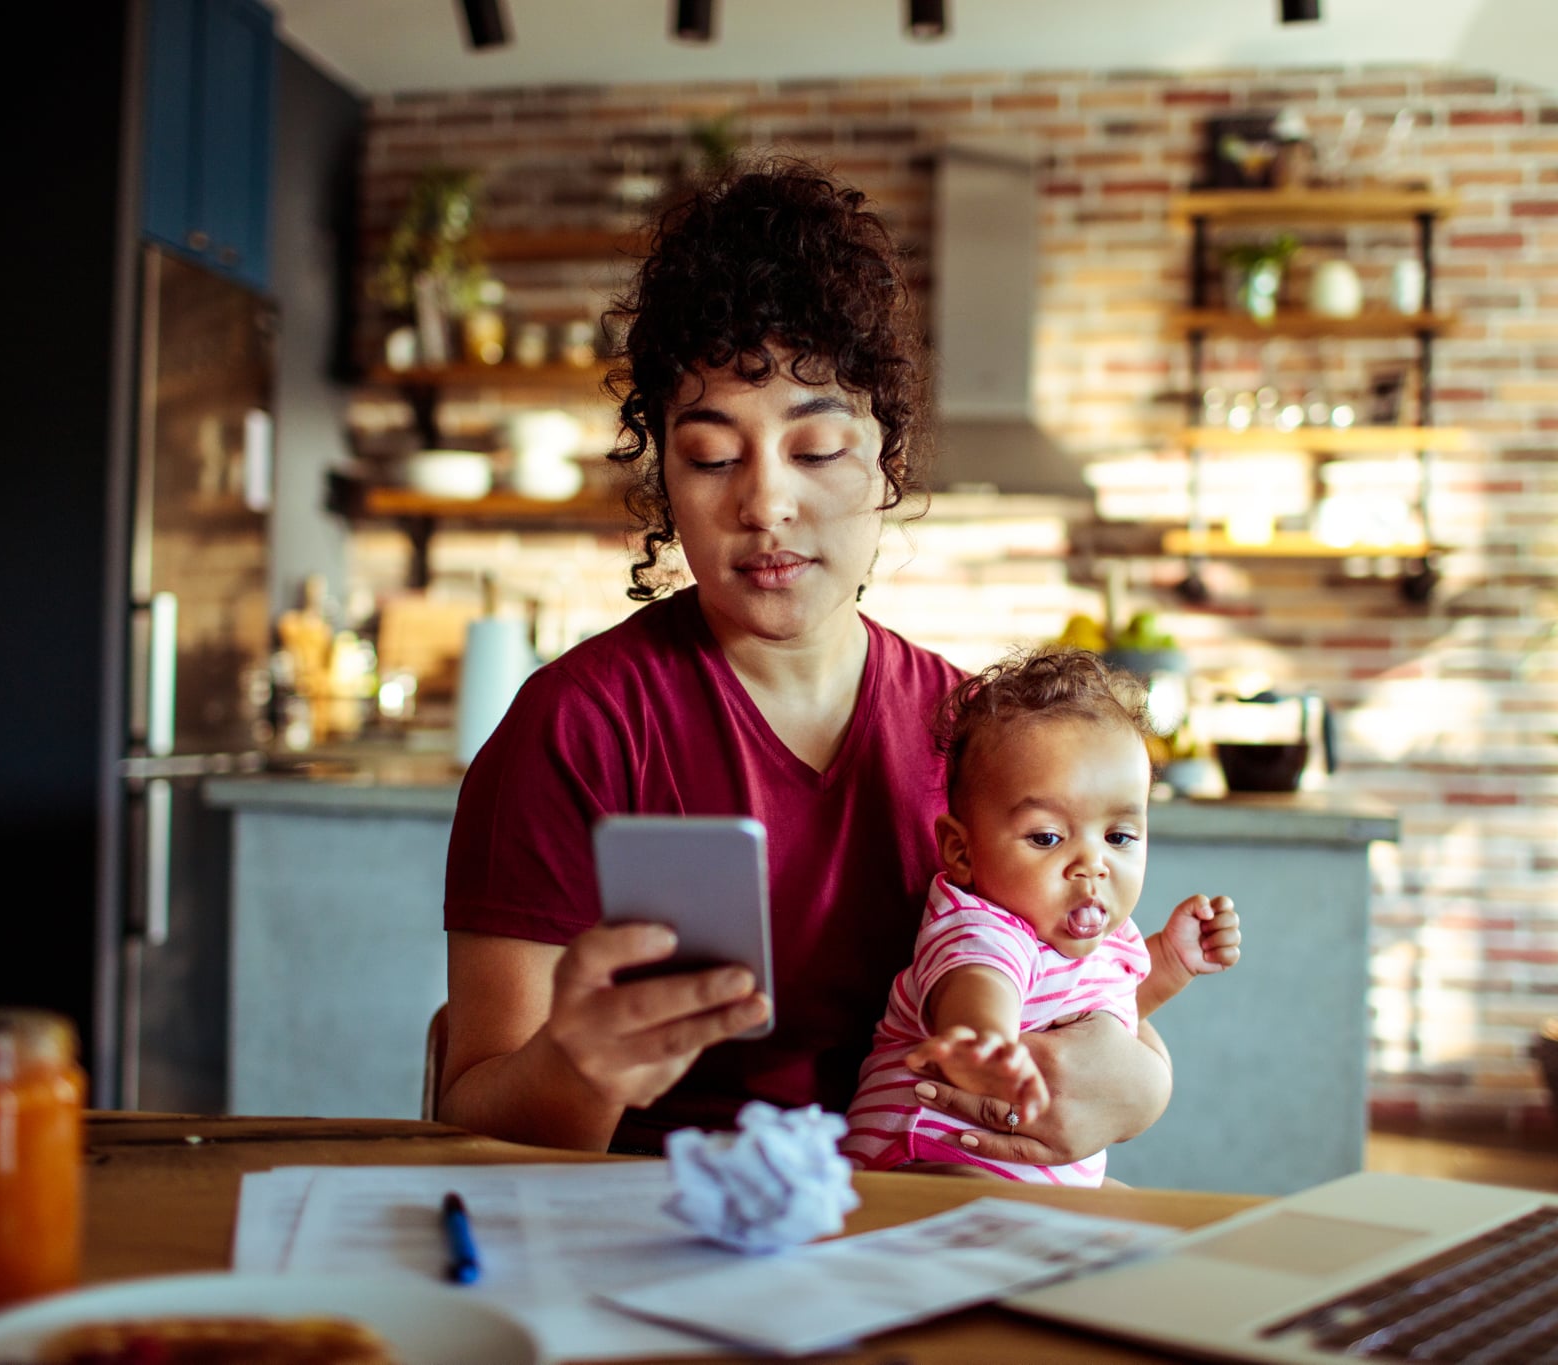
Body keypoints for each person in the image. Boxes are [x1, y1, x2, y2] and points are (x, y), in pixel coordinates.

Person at [436, 159, 1175, 1166]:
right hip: (654, 1226)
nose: (764, 504)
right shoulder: (577, 726)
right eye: (709, 457)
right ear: (664, 477)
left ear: (887, 466)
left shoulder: (976, 737)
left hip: (918, 1223)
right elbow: (470, 1115)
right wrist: (580, 1067)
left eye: (817, 449)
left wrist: (1136, 1082)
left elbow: (1082, 987)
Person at [841, 649, 1242, 1186]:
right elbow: (978, 985)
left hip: (1020, 1184)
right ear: (962, 852)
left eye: (1119, 837)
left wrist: (1171, 961)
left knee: (1143, 1219)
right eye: (1047, 837)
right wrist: (986, 1043)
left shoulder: (1105, 941)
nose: (1092, 865)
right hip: (922, 1167)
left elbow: (1104, 1013)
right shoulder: (980, 924)